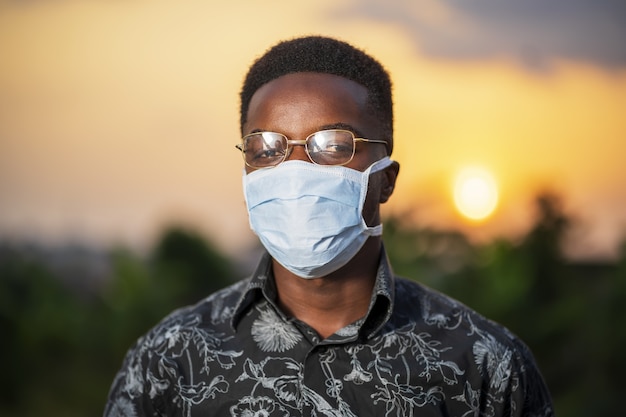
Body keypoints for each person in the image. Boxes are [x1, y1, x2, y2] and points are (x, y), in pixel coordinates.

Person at [104, 36, 554, 417]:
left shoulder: (486, 368)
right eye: (267, 148)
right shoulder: (169, 361)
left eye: (333, 145)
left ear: (385, 181)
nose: (295, 170)